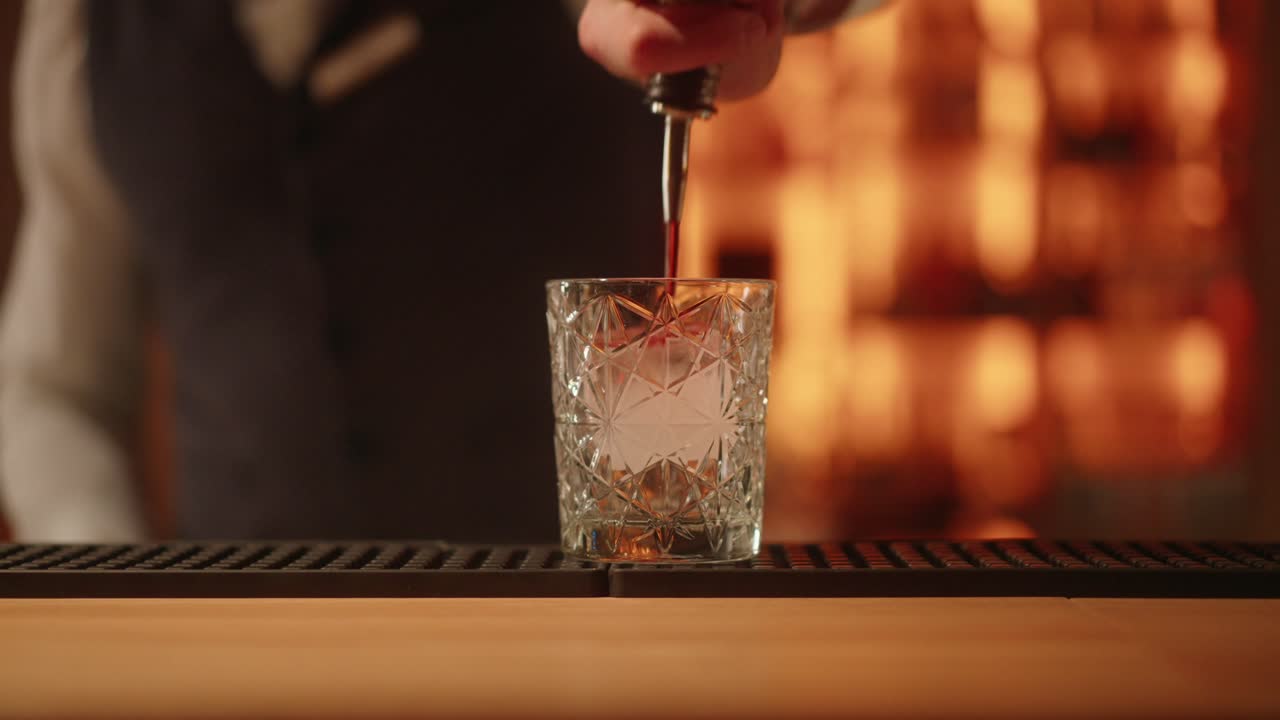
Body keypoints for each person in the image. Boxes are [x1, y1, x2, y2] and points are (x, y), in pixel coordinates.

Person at [0, 0, 882, 543]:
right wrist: (122, 600)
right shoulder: (86, 24)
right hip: (238, 668)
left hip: (566, 663)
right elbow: (53, 387)